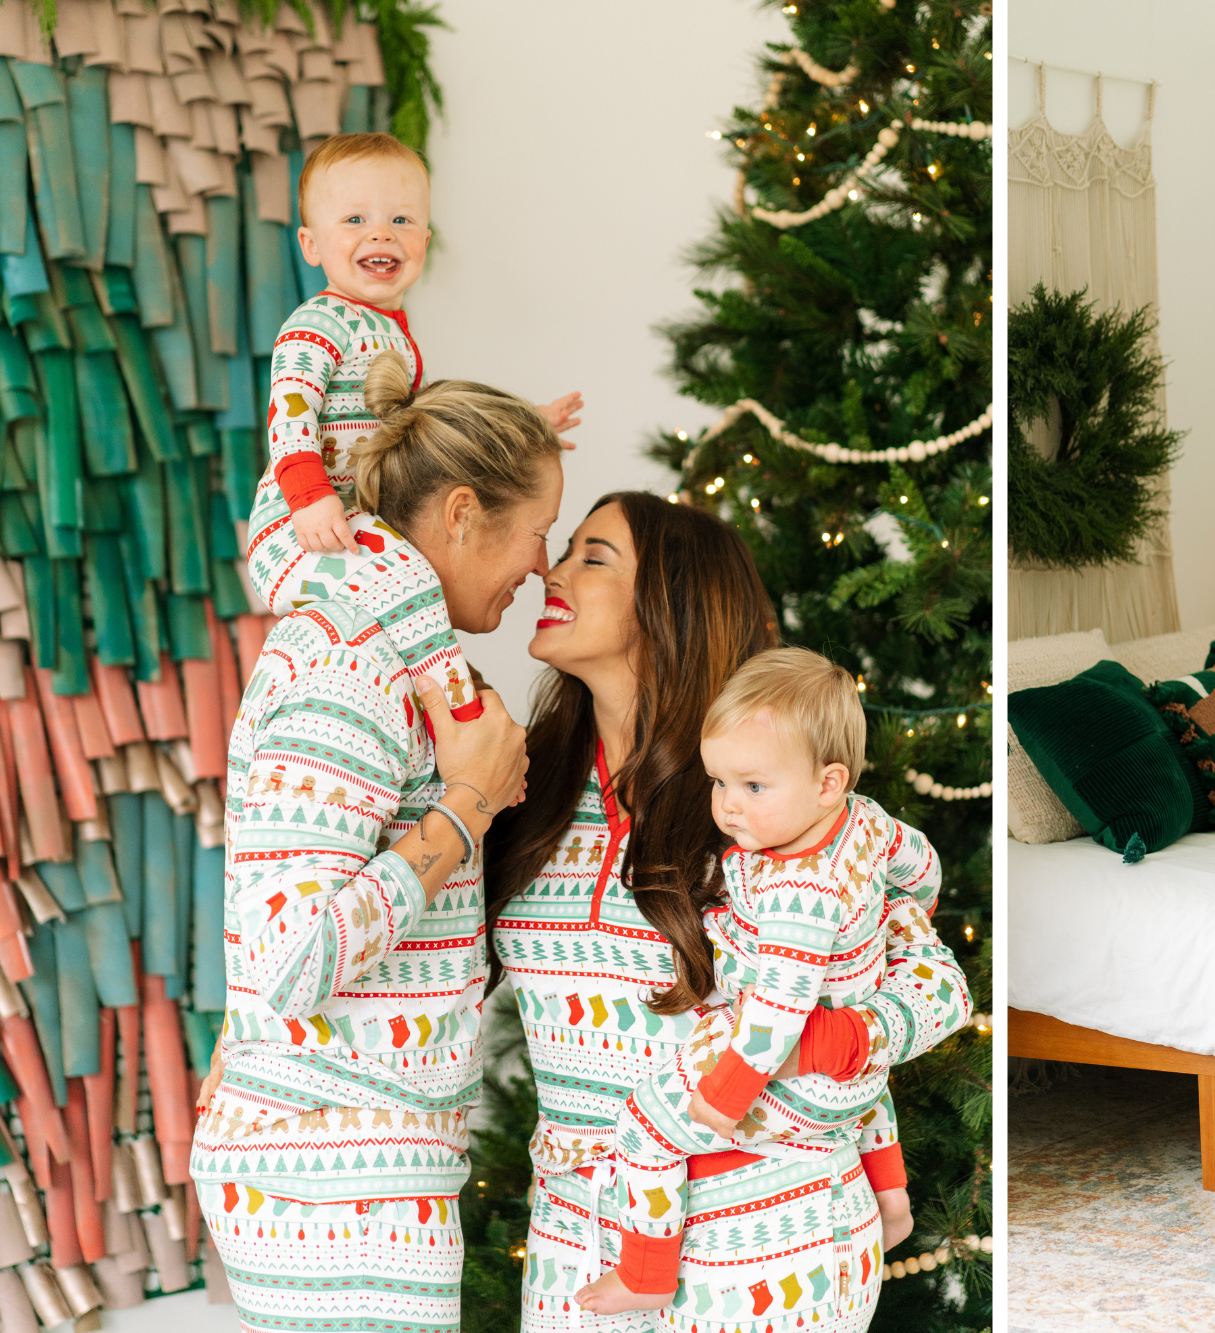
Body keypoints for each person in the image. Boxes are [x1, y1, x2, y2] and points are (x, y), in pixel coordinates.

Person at [486, 495, 972, 1331]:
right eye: (563, 550)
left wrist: (839, 1039)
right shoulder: (529, 784)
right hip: (579, 1237)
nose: (551, 573)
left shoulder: (766, 802)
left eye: (592, 557)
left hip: (765, 1234)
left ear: (673, 604)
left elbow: (935, 982)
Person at [191, 353, 561, 1332]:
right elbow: (290, 959)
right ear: (463, 513)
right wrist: (466, 806)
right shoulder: (349, 666)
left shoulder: (390, 656)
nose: (542, 566)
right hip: (326, 1184)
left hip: (357, 1168)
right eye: (538, 533)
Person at [569, 647, 942, 1312]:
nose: (728, 807)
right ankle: (893, 1203)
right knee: (868, 1096)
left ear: (827, 783)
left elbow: (779, 1003)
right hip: (852, 1077)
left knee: (644, 1125)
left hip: (786, 1069)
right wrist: (913, 907)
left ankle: (645, 1273)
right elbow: (921, 862)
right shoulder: (865, 821)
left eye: (753, 787)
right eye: (719, 782)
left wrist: (729, 1090)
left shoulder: (799, 890)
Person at [252, 131, 582, 717]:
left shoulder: (397, 337)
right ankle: (463, 717)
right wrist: (308, 496)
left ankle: (436, 713)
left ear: (424, 241)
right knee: (410, 580)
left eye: (401, 220)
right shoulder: (317, 323)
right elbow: (290, 409)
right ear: (311, 244)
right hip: (295, 531)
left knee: (409, 597)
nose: (381, 234)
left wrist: (521, 424)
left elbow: (427, 421)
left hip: (351, 522)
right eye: (355, 219)